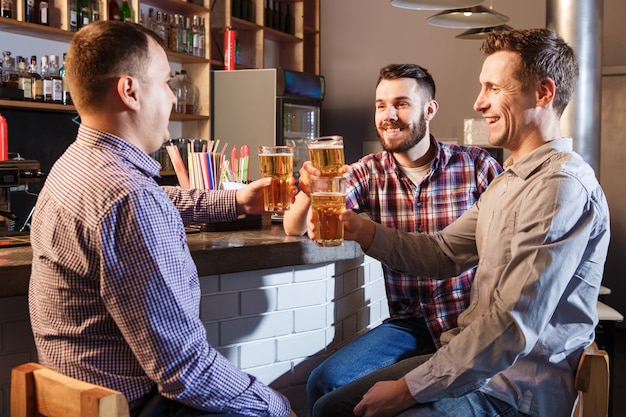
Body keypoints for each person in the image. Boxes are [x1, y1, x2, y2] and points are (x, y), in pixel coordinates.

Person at [307, 28, 611, 417]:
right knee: (331, 405)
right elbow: (443, 252)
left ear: (543, 93)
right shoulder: (510, 180)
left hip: (511, 389)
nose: (479, 102)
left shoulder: (560, 189)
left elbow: (511, 325)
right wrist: (363, 230)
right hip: (471, 363)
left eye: (493, 88)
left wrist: (406, 390)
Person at [28, 21, 296, 417]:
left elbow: (155, 199)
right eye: (167, 82)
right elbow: (185, 371)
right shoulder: (128, 199)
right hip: (140, 406)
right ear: (130, 91)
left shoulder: (76, 165)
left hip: (78, 397)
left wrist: (237, 200)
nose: (173, 98)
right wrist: (278, 407)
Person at [283, 64, 502, 411]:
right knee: (323, 382)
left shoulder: (477, 166)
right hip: (410, 324)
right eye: (381, 105)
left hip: (467, 322)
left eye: (401, 104)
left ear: (429, 110)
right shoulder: (369, 171)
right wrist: (309, 192)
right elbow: (295, 227)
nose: (388, 116)